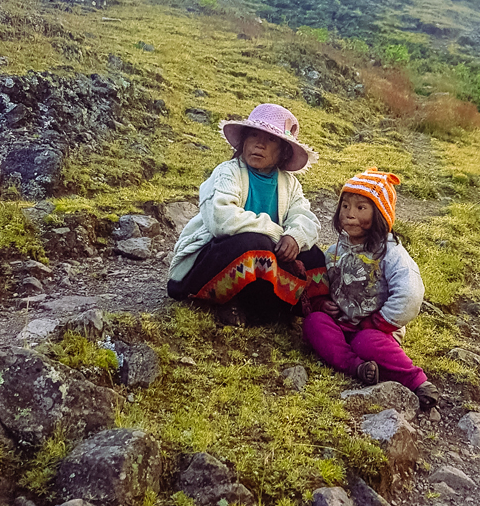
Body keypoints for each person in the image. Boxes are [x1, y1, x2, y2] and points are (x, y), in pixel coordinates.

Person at [167, 103, 327, 323]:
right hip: (207, 266)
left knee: (313, 254)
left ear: (283, 152)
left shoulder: (289, 184)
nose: (259, 144)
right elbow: (221, 220)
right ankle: (225, 301)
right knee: (254, 243)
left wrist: (294, 238)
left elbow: (305, 217)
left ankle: (291, 308)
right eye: (253, 135)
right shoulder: (228, 172)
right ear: (243, 141)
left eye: (271, 140)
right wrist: (275, 232)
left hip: (260, 268)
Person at [302, 168, 440, 410]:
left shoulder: (391, 253)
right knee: (314, 323)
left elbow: (410, 293)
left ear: (380, 214)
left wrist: (379, 322)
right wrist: (322, 304)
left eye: (360, 208)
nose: (349, 215)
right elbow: (323, 284)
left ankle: (416, 380)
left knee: (366, 342)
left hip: (378, 331)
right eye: (345, 206)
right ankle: (357, 367)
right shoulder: (335, 252)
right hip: (341, 325)